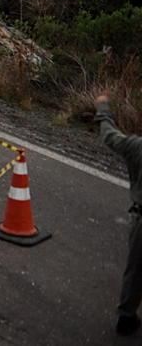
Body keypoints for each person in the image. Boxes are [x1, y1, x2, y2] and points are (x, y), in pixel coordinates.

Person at [95, 94, 142, 336]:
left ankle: (126, 316)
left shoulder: (137, 147)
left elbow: (110, 137)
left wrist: (103, 108)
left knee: (135, 270)